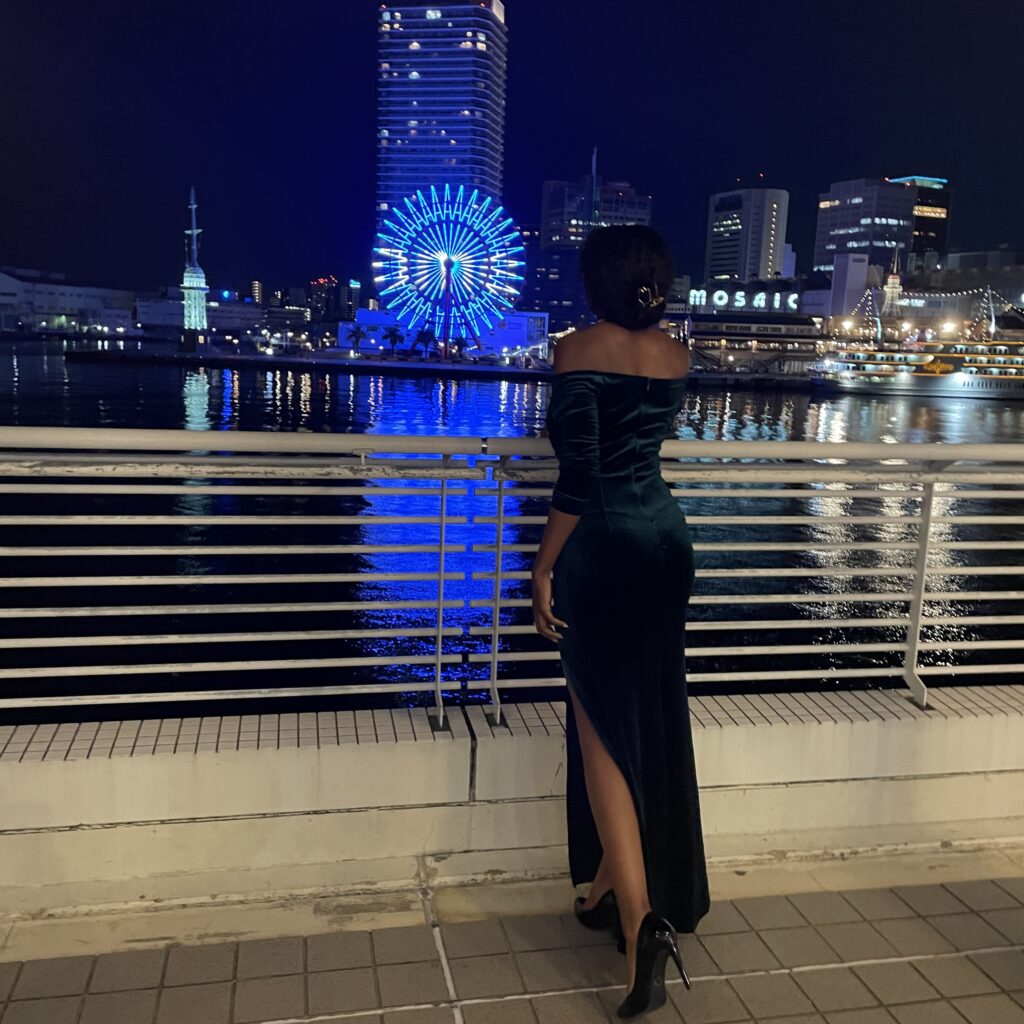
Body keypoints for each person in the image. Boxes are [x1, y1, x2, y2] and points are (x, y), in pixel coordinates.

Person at [531, 225, 710, 1018]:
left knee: (599, 729)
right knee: (646, 715)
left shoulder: (577, 347)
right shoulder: (675, 354)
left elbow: (579, 477)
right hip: (666, 543)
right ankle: (607, 890)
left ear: (597, 279)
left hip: (600, 548)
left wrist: (540, 568)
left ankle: (642, 926)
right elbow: (634, 455)